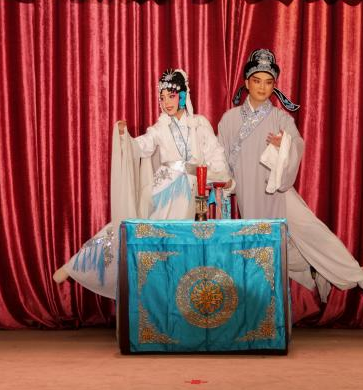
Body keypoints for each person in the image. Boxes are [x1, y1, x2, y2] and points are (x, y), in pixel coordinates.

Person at [217, 49, 363, 304]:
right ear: (247, 83)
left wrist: (285, 146)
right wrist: (226, 183)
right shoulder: (229, 120)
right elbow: (221, 157)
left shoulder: (282, 119)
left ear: (274, 86)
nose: (262, 87)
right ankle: (311, 267)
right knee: (267, 248)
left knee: (312, 230)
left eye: (268, 82)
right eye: (257, 81)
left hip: (279, 191)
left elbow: (297, 146)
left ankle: (360, 278)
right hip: (249, 194)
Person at [54, 68, 232, 299]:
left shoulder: (199, 124)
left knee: (179, 244)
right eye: (162, 97)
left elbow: (215, 153)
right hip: (165, 187)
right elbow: (142, 146)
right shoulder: (160, 128)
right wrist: (125, 138)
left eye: (171, 96)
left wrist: (222, 177)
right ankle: (76, 264)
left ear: (182, 95)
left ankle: (171, 297)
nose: (166, 102)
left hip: (191, 190)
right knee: (133, 226)